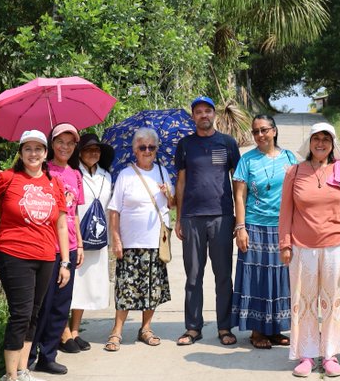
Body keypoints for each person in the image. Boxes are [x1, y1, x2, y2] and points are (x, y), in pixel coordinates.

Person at [0, 129, 71, 381]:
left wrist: (65, 260)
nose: (34, 153)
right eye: (28, 148)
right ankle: (9, 378)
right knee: (21, 313)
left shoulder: (54, 183)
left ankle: (23, 369)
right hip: (14, 253)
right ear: (21, 152)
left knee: (35, 313)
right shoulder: (6, 177)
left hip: (46, 256)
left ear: (46, 153)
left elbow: (61, 223)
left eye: (39, 148)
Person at [279, 122, 340, 377]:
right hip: (303, 248)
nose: (321, 143)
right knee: (303, 302)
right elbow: (286, 212)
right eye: (316, 138)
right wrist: (285, 244)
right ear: (309, 142)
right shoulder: (295, 171)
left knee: (333, 301)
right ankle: (306, 354)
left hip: (337, 244)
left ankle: (330, 354)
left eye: (326, 138)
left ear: (332, 143)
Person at [173, 96, 241, 346]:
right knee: (193, 275)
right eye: (198, 112)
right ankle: (193, 328)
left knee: (223, 275)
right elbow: (180, 181)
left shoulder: (227, 143)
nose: (203, 115)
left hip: (222, 217)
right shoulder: (185, 145)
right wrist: (179, 217)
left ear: (214, 115)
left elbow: (238, 182)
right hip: (192, 218)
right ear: (193, 117)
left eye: (207, 111)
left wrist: (238, 218)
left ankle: (225, 327)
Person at [231, 113, 297, 348]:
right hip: (254, 226)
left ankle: (275, 329)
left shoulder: (289, 158)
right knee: (257, 279)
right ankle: (258, 331)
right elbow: (239, 195)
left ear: (274, 131)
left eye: (264, 130)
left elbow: (297, 193)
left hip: (282, 226)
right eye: (256, 131)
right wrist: (241, 227)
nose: (260, 135)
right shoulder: (246, 160)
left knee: (280, 277)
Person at [105, 127, 174, 351]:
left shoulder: (163, 173)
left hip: (156, 242)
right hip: (131, 242)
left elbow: (174, 205)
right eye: (142, 147)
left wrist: (168, 194)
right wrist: (116, 238)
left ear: (156, 149)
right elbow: (114, 210)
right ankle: (116, 331)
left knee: (152, 289)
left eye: (151, 147)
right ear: (135, 149)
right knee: (125, 288)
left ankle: (146, 328)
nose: (147, 151)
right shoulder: (125, 175)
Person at [24, 122, 85, 374]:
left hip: (69, 246)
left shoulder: (75, 174)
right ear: (52, 144)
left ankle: (48, 356)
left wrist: (80, 243)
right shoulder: (42, 170)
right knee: (41, 305)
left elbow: (75, 212)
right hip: (46, 246)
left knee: (61, 305)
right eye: (60, 141)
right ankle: (26, 358)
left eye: (70, 143)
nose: (65, 147)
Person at [63, 132, 115, 352]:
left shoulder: (107, 176)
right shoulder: (73, 174)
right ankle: (63, 332)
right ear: (80, 152)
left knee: (86, 286)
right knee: (71, 285)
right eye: (88, 149)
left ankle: (75, 331)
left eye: (96, 150)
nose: (93, 153)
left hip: (98, 237)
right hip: (75, 236)